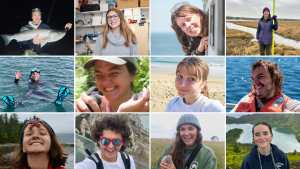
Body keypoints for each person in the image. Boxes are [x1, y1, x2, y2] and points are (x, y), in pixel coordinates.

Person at [75, 57, 149, 112]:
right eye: (98, 75)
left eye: (114, 73)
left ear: (133, 74)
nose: (104, 82)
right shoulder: (92, 107)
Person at [230, 59, 300, 112]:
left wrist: (291, 117)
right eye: (253, 78)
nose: (255, 82)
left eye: (260, 76)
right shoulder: (245, 100)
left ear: (275, 79)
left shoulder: (289, 106)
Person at [2, 67, 70, 108]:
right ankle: (13, 104)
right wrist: (16, 79)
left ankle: (58, 100)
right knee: (23, 101)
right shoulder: (28, 81)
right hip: (30, 92)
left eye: (36, 74)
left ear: (39, 75)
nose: (35, 75)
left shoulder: (42, 81)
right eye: (33, 74)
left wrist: (64, 85)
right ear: (31, 75)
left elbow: (53, 84)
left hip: (40, 92)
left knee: (48, 99)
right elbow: (17, 84)